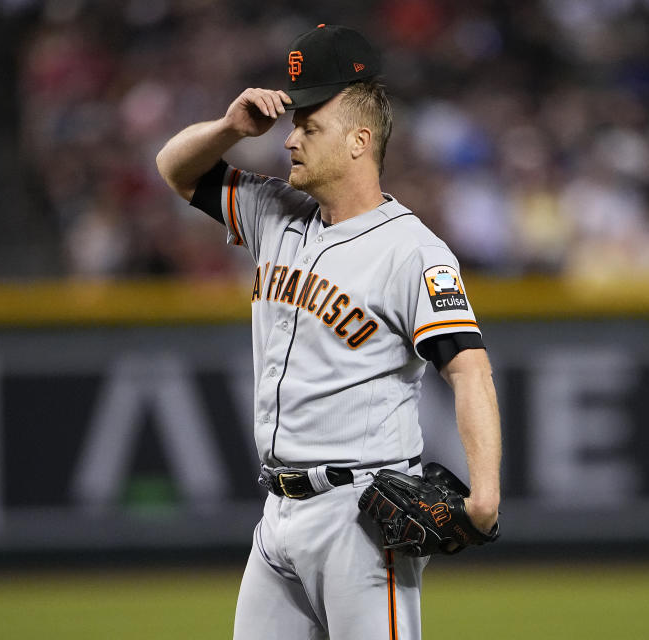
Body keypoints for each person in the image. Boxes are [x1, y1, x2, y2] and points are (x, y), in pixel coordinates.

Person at [156, 24, 500, 640]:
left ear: (358, 142)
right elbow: (175, 168)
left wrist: (485, 494)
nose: (289, 140)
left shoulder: (413, 251)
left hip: (361, 518)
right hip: (277, 513)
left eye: (310, 127)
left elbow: (467, 367)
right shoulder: (273, 212)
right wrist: (230, 128)